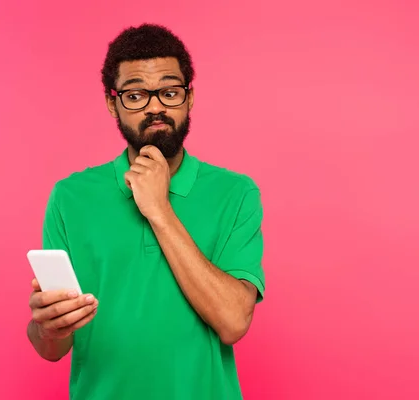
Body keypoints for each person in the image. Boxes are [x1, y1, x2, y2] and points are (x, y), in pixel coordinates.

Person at [26, 23, 265, 400]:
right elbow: (51, 349)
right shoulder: (70, 197)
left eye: (169, 92)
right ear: (112, 103)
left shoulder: (236, 193)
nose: (155, 107)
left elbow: (234, 321)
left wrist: (159, 210)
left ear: (189, 98)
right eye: (136, 95)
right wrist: (46, 329)